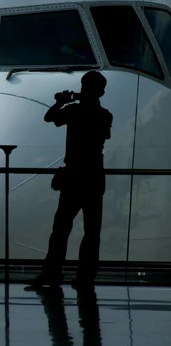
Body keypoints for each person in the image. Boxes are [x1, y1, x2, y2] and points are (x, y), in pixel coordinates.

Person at [29, 71, 113, 290]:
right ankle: (86, 277)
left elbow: (49, 118)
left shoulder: (74, 111)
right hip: (94, 177)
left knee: (61, 229)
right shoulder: (105, 115)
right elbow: (102, 135)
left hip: (74, 177)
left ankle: (52, 273)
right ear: (102, 92)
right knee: (92, 231)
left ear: (84, 88)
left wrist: (61, 102)